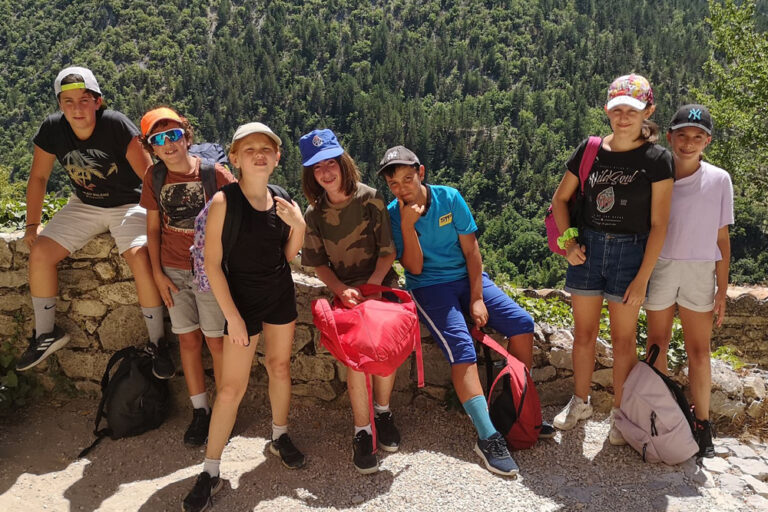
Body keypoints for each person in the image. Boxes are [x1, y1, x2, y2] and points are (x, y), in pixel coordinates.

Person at [379, 145, 553, 477]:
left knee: (521, 323)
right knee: (462, 348)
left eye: (407, 178)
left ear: (421, 172)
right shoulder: (393, 214)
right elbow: (414, 267)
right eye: (395, 184)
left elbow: (472, 252)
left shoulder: (449, 198)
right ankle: (488, 437)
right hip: (429, 287)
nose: (402, 188)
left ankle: (516, 408)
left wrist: (476, 298)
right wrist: (406, 224)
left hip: (468, 279)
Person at [18, 66, 173, 379]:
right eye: (68, 101)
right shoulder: (52, 129)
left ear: (98, 102)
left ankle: (158, 343)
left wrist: (162, 223)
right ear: (60, 105)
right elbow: (38, 177)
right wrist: (32, 226)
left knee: (140, 257)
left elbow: (148, 177)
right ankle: (46, 333)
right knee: (40, 254)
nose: (77, 108)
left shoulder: (115, 125)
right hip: (84, 204)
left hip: (129, 203)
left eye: (84, 100)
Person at [182, 122, 306, 512]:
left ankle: (279, 436)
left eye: (266, 148)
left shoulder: (282, 200)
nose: (258, 154)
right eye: (248, 149)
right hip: (240, 304)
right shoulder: (225, 202)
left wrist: (299, 226)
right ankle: (210, 470)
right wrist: (232, 318)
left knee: (280, 367)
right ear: (234, 158)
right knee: (231, 388)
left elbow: (286, 256)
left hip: (279, 296)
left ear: (277, 157)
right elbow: (213, 265)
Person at [550, 74, 674, 445]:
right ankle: (581, 402)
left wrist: (642, 278)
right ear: (607, 111)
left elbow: (659, 223)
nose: (623, 118)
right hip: (588, 248)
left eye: (632, 111)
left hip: (631, 253)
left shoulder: (657, 159)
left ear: (647, 111)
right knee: (584, 335)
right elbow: (560, 201)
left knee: (623, 340)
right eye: (617, 110)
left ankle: (621, 415)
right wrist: (568, 243)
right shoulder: (589, 150)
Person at [299, 129, 401, 474]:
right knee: (357, 357)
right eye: (317, 168)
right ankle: (363, 429)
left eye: (331, 163)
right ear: (310, 175)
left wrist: (371, 287)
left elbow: (387, 252)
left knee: (385, 351)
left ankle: (383, 411)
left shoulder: (369, 199)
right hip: (345, 291)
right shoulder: (314, 214)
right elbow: (318, 264)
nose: (326, 172)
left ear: (343, 164)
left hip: (379, 284)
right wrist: (342, 290)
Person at [138, 107, 236, 445]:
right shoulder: (154, 178)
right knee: (188, 340)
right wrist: (156, 274)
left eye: (174, 135)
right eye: (159, 139)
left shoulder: (216, 175)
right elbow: (152, 230)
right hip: (173, 271)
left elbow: (239, 218)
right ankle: (201, 412)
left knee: (216, 341)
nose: (168, 144)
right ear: (151, 147)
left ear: (186, 137)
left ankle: (225, 410)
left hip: (210, 271)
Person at [645, 104, 732, 458]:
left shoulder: (719, 179)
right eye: (682, 135)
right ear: (670, 136)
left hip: (700, 269)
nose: (688, 142)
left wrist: (722, 288)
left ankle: (702, 425)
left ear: (707, 141)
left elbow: (722, 238)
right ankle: (665, 418)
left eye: (697, 136)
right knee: (657, 344)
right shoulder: (657, 174)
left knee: (700, 351)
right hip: (661, 265)